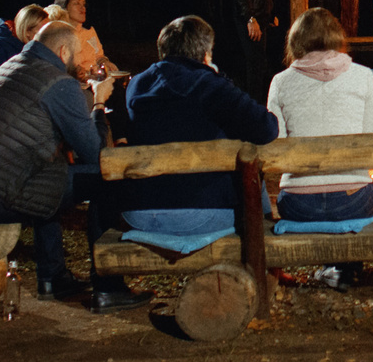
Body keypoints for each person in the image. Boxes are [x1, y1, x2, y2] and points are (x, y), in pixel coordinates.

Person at [0, 14, 118, 303]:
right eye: (75, 55)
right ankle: (109, 288)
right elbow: (97, 154)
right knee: (104, 179)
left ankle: (53, 278)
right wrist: (99, 102)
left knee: (52, 174)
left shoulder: (10, 67)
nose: (78, 62)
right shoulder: (58, 82)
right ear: (63, 52)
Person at [119, 15, 281, 237]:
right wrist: (218, 78)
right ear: (206, 54)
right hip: (199, 212)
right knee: (251, 173)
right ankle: (267, 259)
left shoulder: (137, 84)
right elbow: (267, 128)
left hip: (140, 213)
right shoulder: (208, 84)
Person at [266, 7, 373, 223]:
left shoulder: (280, 82)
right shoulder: (364, 76)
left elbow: (277, 147)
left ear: (296, 41)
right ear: (337, 38)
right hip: (353, 198)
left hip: (298, 201)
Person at [0, 4, 49, 93]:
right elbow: (3, 80)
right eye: (43, 31)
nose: (49, 35)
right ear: (27, 31)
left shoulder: (33, 49)